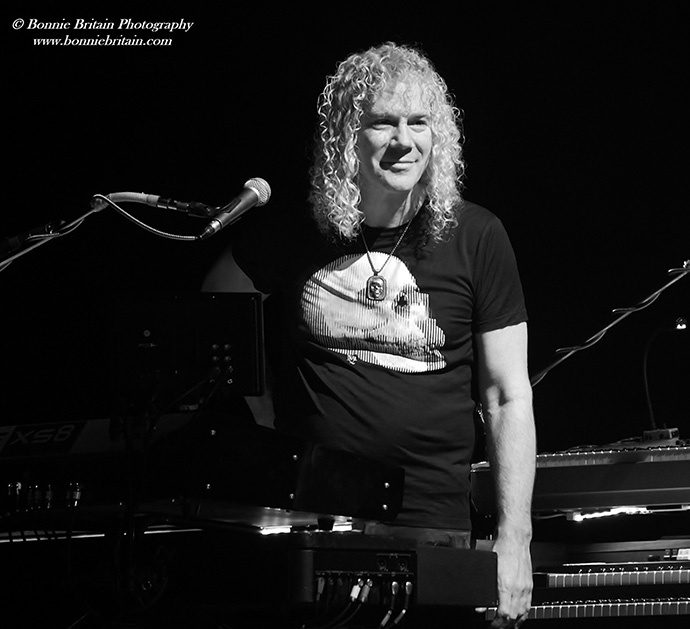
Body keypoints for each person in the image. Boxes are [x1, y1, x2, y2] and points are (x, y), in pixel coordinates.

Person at [202, 42, 535, 627]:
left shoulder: (478, 235)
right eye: (383, 122)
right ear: (346, 140)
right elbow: (218, 297)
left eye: (419, 123)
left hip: (435, 528)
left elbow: (508, 396)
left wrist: (515, 542)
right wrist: (260, 406)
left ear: (439, 137)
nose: (404, 140)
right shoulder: (297, 233)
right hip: (312, 527)